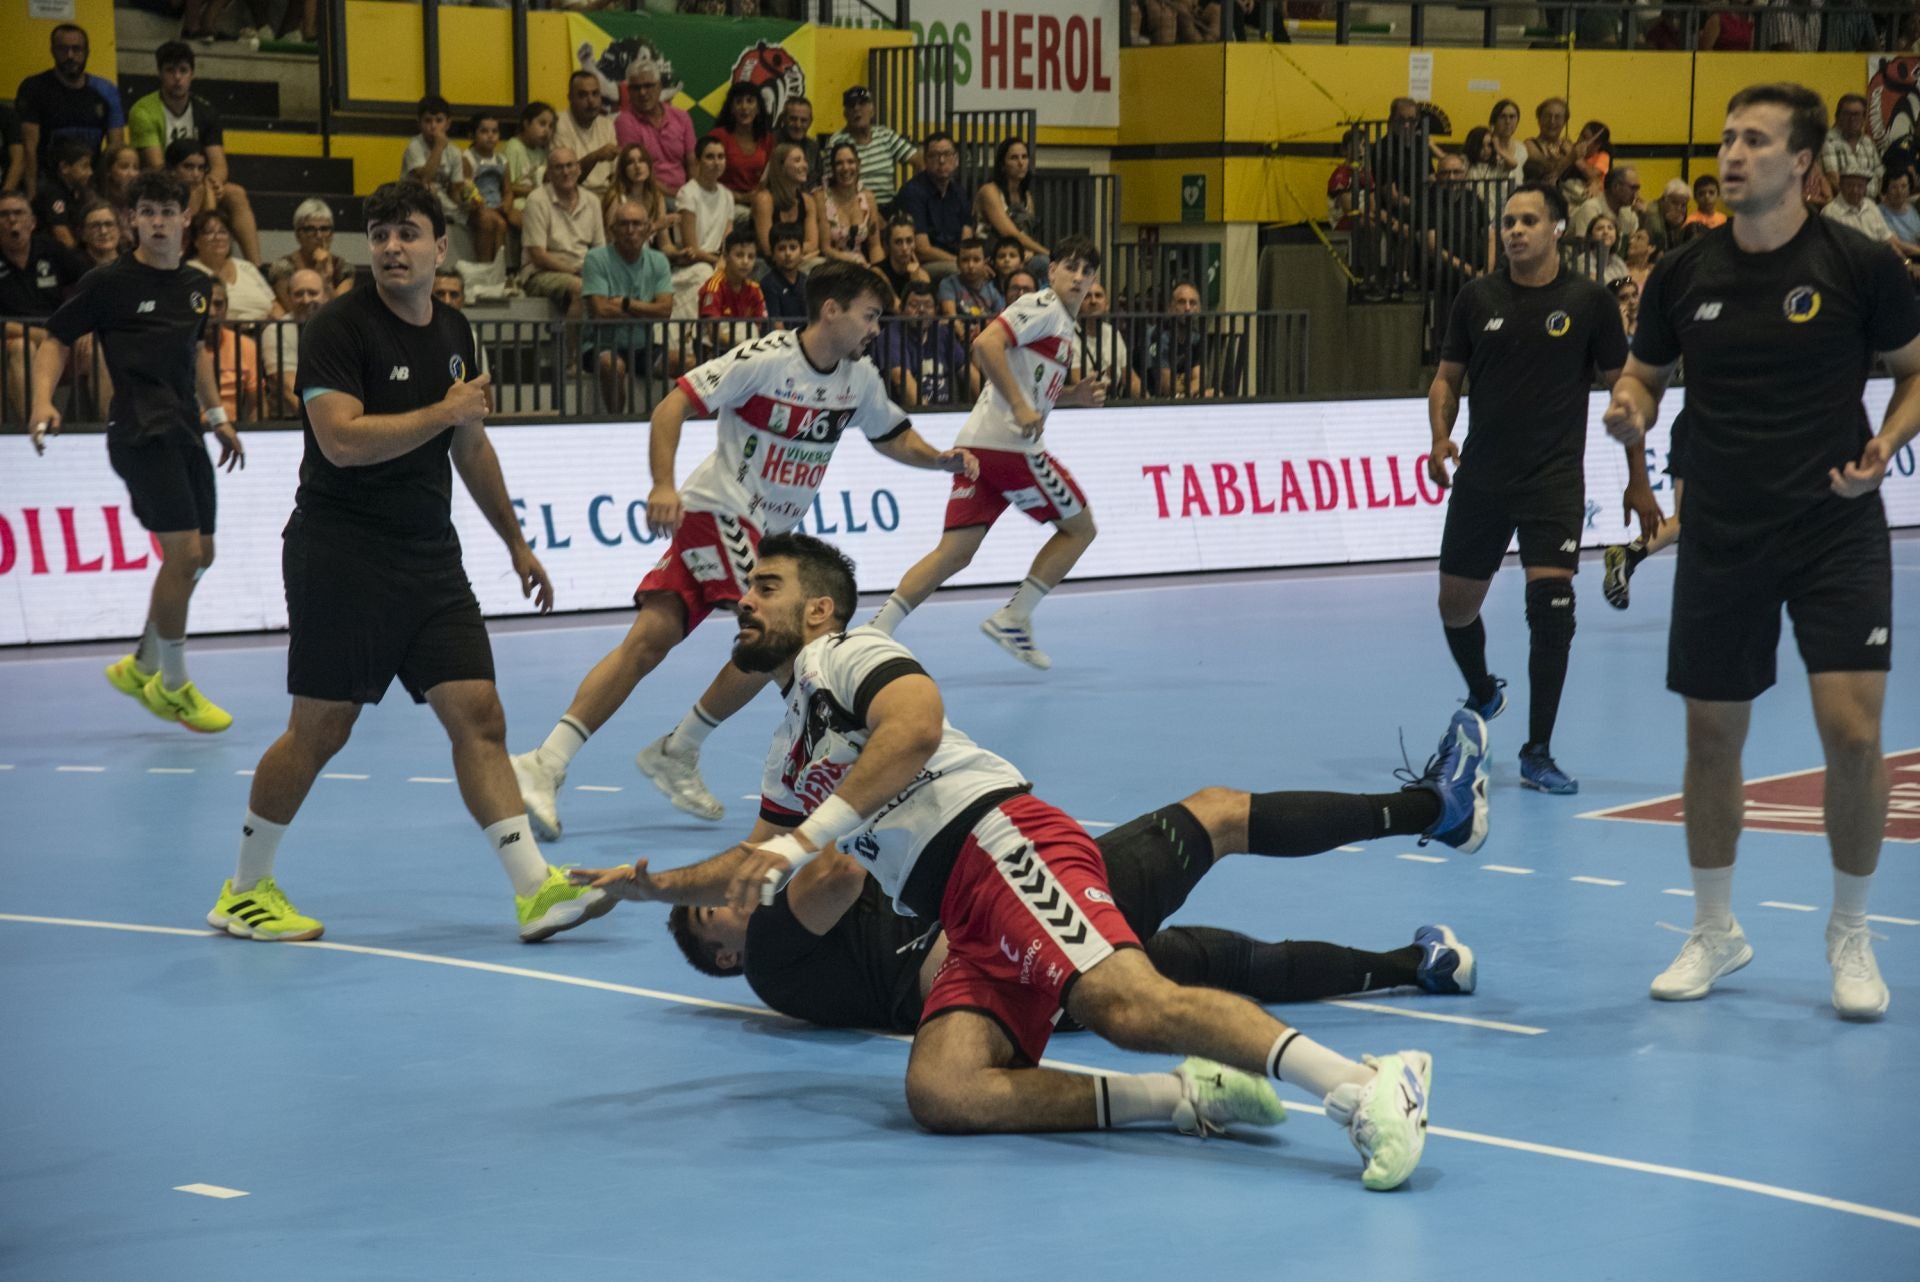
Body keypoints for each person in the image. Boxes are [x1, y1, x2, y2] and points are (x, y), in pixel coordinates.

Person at [565, 534, 1438, 1186]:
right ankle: (1187, 1095)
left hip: (1000, 844)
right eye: (743, 590)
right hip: (957, 911)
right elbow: (753, 864)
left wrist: (804, 838)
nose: (743, 602)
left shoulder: (847, 654)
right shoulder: (788, 744)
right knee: (944, 1089)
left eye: (766, 588)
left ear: (819, 609)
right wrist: (650, 889)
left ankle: (1365, 1085)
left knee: (1128, 1004)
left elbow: (915, 729)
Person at [211, 181, 605, 946]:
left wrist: (515, 542)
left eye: (408, 234)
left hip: (430, 556)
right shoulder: (338, 327)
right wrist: (445, 411)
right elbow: (342, 441)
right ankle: (246, 890)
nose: (393, 247)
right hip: (341, 555)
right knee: (320, 734)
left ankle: (534, 892)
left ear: (440, 248)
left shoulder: (455, 329)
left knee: (479, 715)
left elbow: (470, 445)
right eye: (382, 235)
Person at [1602, 83, 1920, 1022]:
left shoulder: (1860, 265)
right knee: (1712, 735)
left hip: (1834, 522)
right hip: (1723, 531)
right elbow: (1642, 374)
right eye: (1728, 138)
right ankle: (1715, 930)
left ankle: (1850, 933)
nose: (1733, 153)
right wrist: (1630, 408)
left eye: (1755, 140)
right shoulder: (1682, 274)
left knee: (1854, 736)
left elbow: (1913, 373)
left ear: (1804, 166)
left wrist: (1888, 446)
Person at [507, 260, 978, 838]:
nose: (876, 329)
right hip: (721, 509)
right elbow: (672, 405)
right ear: (831, 311)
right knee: (780, 639)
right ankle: (685, 748)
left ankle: (546, 761)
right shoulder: (764, 361)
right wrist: (662, 483)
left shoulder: (859, 380)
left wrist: (938, 459)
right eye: (869, 316)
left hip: (769, 532)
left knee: (649, 642)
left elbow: (892, 434)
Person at [585, 743, 1491, 1033]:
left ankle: (1416, 966)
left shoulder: (798, 964)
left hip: (1004, 972)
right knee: (1214, 815)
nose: (732, 891)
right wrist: (866, 767)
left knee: (1221, 968)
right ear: (726, 955)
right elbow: (832, 865)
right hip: (1001, 932)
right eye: (712, 912)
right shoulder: (774, 957)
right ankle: (1434, 808)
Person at [1427, 181, 1639, 798]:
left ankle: (1537, 751)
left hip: (1552, 481)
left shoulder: (1589, 301)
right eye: (1507, 221)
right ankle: (1484, 690)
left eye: (1527, 220)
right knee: (1454, 606)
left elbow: (1623, 395)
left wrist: (1637, 481)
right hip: (1484, 477)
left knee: (1553, 611)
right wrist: (1441, 438)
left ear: (1556, 229)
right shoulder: (1476, 297)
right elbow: (1446, 381)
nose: (1515, 230)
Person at [28, 170, 240, 732]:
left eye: (168, 213)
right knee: (185, 556)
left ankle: (140, 662)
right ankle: (171, 686)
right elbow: (55, 338)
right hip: (140, 433)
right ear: (132, 221)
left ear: (185, 219)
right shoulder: (109, 282)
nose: (158, 222)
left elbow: (196, 352)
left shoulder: (197, 285)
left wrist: (218, 417)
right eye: (147, 212)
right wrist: (42, 401)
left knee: (204, 555)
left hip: (187, 431)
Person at [867, 236, 1108, 670]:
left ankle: (875, 630)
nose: (1077, 277)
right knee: (1080, 528)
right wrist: (1018, 404)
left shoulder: (1064, 329)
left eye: (1086, 271)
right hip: (1010, 448)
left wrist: (1075, 396)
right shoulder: (1042, 307)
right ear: (1050, 270)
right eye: (1069, 266)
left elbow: (1033, 387)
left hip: (979, 447)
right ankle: (1014, 616)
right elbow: (985, 344)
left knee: (955, 552)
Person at [127, 41, 261, 263]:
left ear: (192, 74)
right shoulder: (143, 111)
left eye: (183, 70)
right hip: (158, 185)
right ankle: (193, 256)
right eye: (170, 70)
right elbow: (157, 166)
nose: (177, 78)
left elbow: (219, 165)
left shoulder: (205, 111)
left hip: (198, 179)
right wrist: (194, 185)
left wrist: (211, 183)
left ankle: (256, 268)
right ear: (160, 73)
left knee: (236, 194)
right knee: (192, 189)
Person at [581, 197, 673, 415]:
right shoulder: (596, 258)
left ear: (648, 229)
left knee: (689, 363)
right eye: (623, 224)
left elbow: (665, 311)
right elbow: (601, 311)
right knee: (613, 365)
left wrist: (625, 303)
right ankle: (617, 424)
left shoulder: (659, 260)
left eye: (636, 224)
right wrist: (646, 311)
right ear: (612, 230)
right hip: (600, 344)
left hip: (642, 347)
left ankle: (676, 423)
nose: (630, 230)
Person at [15, 24, 124, 204]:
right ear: (52, 51)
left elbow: (116, 148)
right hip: (47, 181)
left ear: (87, 52)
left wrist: (109, 195)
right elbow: (29, 146)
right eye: (63, 49)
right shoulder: (34, 88)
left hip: (90, 181)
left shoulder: (106, 90)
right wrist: (31, 195)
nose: (70, 56)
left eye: (77, 49)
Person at [0, 191, 86, 419]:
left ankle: (108, 430)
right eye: (4, 214)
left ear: (32, 222)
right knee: (22, 348)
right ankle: (33, 428)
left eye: (18, 213)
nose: (12, 220)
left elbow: (88, 285)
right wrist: (42, 334)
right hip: (10, 341)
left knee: (97, 349)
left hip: (58, 338)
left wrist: (85, 327)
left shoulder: (50, 250)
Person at [519, 146, 605, 319]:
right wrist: (574, 270)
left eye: (570, 165)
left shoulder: (592, 201)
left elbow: (599, 249)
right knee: (580, 288)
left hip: (582, 270)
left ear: (579, 169)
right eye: (558, 167)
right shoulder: (537, 200)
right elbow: (538, 256)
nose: (566, 172)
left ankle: (608, 345)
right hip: (540, 273)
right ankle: (573, 347)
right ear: (549, 174)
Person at [876, 278, 974, 408]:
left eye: (928, 305)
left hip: (948, 412)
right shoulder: (891, 335)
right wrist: (929, 418)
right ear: (901, 309)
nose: (921, 310)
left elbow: (968, 371)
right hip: (910, 415)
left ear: (936, 310)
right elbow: (901, 379)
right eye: (914, 305)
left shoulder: (943, 333)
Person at [669, 136, 731, 320]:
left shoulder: (727, 195)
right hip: (691, 264)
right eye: (710, 157)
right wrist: (717, 262)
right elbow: (691, 248)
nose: (716, 162)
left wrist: (725, 262)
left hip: (717, 261)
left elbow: (728, 238)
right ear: (698, 161)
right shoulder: (688, 193)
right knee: (706, 274)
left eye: (721, 157)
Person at [827, 86, 918, 211]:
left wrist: (913, 194)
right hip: (855, 208)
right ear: (845, 114)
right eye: (851, 105)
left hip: (890, 207)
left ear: (872, 110)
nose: (857, 109)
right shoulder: (836, 142)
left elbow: (919, 160)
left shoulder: (886, 135)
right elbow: (831, 185)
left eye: (862, 103)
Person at [894, 132, 970, 280]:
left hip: (956, 259)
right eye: (934, 155)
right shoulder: (912, 193)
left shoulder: (959, 192)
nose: (941, 161)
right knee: (960, 271)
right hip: (925, 263)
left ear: (956, 159)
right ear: (925, 161)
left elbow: (967, 238)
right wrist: (962, 262)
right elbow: (922, 249)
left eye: (947, 154)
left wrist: (971, 259)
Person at [615, 61, 696, 195]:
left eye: (648, 86)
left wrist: (693, 194)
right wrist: (676, 196)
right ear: (629, 91)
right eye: (636, 88)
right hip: (648, 194)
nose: (642, 92)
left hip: (685, 193)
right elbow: (637, 173)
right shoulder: (625, 121)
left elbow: (692, 164)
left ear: (659, 87)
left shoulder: (682, 117)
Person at [186, 208, 279, 321]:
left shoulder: (246, 267)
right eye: (209, 232)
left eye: (223, 232)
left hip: (264, 330)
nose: (217, 237)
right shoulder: (190, 272)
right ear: (196, 241)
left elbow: (275, 305)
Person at [973, 137, 1047, 269]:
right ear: (1002, 165)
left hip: (1019, 254)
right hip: (991, 256)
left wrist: (1032, 252)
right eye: (1014, 158)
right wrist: (1049, 253)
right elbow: (1010, 234)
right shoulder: (990, 191)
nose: (1021, 162)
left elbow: (1029, 235)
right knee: (1044, 262)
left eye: (1024, 157)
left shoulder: (1026, 196)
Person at [268, 198, 354, 307]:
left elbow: (340, 309)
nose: (318, 236)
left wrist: (326, 280)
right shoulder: (282, 268)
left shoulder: (343, 267)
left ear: (331, 235)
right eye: (309, 229)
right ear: (298, 235)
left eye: (324, 229)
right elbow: (293, 310)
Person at [695, 226, 767, 356]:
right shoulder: (714, 286)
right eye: (739, 255)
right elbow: (714, 335)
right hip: (713, 353)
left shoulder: (755, 290)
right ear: (726, 256)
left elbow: (759, 330)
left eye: (750, 257)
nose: (745, 262)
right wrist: (746, 346)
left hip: (745, 353)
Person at [262, 265, 324, 415]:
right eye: (299, 294)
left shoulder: (341, 328)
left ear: (324, 295)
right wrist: (318, 424)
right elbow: (287, 387)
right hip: (291, 419)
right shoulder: (275, 331)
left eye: (313, 293)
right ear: (289, 296)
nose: (306, 300)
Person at [401, 94, 471, 227]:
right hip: (413, 202)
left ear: (448, 124)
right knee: (428, 191)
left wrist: (467, 201)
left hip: (445, 204)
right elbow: (425, 178)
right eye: (428, 121)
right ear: (419, 123)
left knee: (484, 218)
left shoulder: (454, 151)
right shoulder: (414, 146)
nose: (433, 126)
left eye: (439, 121)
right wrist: (438, 147)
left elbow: (455, 190)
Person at [202, 278, 265, 422]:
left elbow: (256, 405)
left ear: (227, 307)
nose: (211, 312)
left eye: (218, 304)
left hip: (234, 431)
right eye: (204, 303)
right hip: (190, 434)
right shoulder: (179, 346)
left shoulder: (245, 346)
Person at [706, 82, 773, 213]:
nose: (744, 107)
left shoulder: (768, 139)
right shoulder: (718, 136)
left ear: (758, 108)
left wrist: (757, 197)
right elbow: (706, 178)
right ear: (731, 109)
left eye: (750, 101)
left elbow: (770, 177)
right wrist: (741, 198)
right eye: (738, 102)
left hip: (758, 202)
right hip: (723, 201)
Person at [750, 141, 820, 266]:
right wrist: (799, 252)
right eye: (797, 160)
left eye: (805, 160)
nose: (804, 165)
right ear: (780, 167)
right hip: (767, 264)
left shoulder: (808, 201)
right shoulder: (764, 200)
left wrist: (793, 254)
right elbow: (768, 248)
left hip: (799, 261)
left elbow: (813, 243)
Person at [1070, 280, 1142, 399]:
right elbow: (1078, 384)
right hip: (1083, 409)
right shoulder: (1068, 335)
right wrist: (1109, 381)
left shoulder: (1113, 333)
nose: (1093, 301)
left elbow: (1130, 378)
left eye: (1098, 296)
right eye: (1087, 296)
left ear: (1107, 305)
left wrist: (1147, 402)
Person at [815, 141, 881, 268]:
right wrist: (853, 260)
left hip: (862, 266)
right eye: (839, 163)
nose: (845, 168)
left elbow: (875, 246)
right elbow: (825, 248)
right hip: (831, 266)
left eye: (850, 162)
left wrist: (879, 271)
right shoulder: (820, 198)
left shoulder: (868, 198)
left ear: (858, 165)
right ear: (833, 169)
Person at [554, 70, 620, 196]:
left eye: (595, 94)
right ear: (570, 98)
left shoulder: (606, 124)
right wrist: (595, 156)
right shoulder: (559, 124)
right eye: (583, 95)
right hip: (573, 195)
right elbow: (566, 178)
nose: (591, 101)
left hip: (606, 196)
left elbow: (614, 174)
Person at [500, 101, 554, 233]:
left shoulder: (542, 152)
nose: (547, 130)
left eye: (550, 126)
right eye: (542, 124)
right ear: (526, 123)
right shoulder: (514, 147)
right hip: (519, 206)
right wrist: (533, 192)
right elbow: (507, 186)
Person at [463, 111, 510, 265]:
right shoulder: (468, 158)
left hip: (497, 206)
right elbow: (467, 186)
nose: (490, 135)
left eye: (494, 131)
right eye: (484, 131)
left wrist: (507, 203)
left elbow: (507, 189)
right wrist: (479, 205)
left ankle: (497, 268)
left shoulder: (502, 160)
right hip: (476, 208)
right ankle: (483, 266)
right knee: (488, 221)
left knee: (502, 223)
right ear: (472, 135)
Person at [31, 137, 92, 250]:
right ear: (64, 167)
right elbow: (61, 234)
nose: (90, 172)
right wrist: (80, 261)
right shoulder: (52, 193)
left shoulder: (75, 191)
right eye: (84, 166)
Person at [1821, 94, 1880, 199]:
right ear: (1837, 116)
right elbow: (1833, 180)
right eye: (1847, 114)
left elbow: (1878, 175)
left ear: (1864, 118)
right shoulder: (1827, 140)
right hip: (1840, 205)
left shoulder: (1868, 142)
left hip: (1870, 205)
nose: (1852, 119)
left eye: (1856, 114)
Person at [936, 235, 1004, 326]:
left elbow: (1000, 320)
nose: (971, 265)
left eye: (976, 260)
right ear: (958, 264)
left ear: (985, 263)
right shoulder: (948, 284)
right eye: (965, 260)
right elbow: (950, 316)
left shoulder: (992, 290)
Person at [759, 224, 809, 328]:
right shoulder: (768, 283)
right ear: (773, 254)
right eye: (781, 248)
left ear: (802, 252)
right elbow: (777, 325)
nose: (788, 253)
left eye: (793, 247)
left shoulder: (807, 282)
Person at [875, 214, 929, 307]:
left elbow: (922, 314)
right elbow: (899, 310)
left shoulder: (922, 276)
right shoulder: (877, 273)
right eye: (898, 242)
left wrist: (917, 281)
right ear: (888, 245)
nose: (904, 248)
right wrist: (913, 286)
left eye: (909, 241)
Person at [1522, 97, 1575, 187]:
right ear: (1539, 120)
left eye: (1557, 117)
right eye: (1547, 116)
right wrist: (1571, 157)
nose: (1552, 121)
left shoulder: (1568, 145)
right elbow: (1548, 172)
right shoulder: (1529, 145)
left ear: (1564, 122)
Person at [773, 95, 821, 190]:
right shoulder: (770, 142)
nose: (798, 125)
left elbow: (817, 183)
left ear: (810, 122)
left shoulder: (813, 148)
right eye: (793, 119)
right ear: (783, 119)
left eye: (803, 120)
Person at [1642, 177, 1693, 253]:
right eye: (1674, 203)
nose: (1679, 208)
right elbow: (1664, 253)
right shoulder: (1652, 216)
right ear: (1663, 199)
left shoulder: (1678, 217)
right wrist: (1675, 227)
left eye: (1683, 205)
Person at [73, 198, 121, 271]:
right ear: (82, 234)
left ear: (119, 229)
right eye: (95, 226)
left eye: (109, 224)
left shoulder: (133, 262)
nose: (103, 231)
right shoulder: (72, 268)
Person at [1487, 99, 1529, 182]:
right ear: (1494, 120)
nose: (1508, 121)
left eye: (1512, 117)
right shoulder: (1485, 146)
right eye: (1503, 116)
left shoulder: (1521, 149)